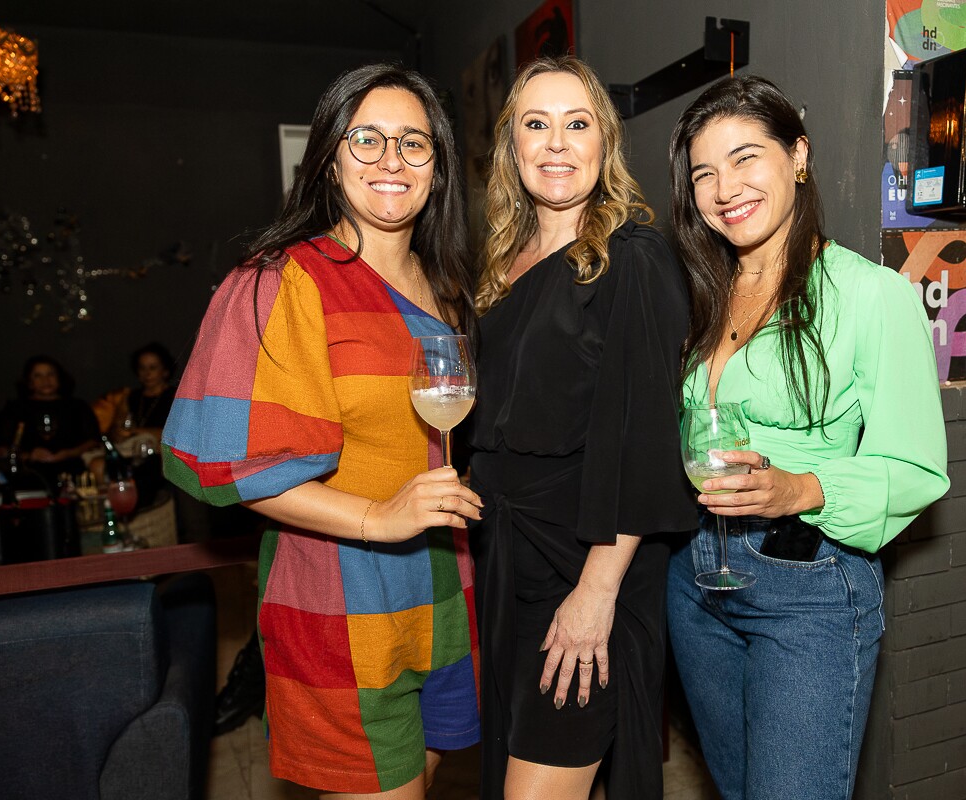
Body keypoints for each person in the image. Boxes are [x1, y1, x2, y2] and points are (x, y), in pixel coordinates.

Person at [161, 63, 482, 798]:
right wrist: (378, 514)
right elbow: (227, 464)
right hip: (341, 603)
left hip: (446, 589)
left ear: (439, 167)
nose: (391, 161)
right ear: (330, 159)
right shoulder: (282, 281)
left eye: (414, 143)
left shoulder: (449, 289)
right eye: (366, 140)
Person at [665, 75, 950, 800]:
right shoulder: (700, 292)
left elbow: (915, 466)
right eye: (704, 173)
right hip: (696, 578)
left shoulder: (869, 294)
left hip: (809, 587)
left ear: (798, 155)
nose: (725, 187)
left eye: (745, 158)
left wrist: (800, 487)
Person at [467, 56, 698, 800]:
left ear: (605, 145)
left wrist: (597, 592)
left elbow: (647, 441)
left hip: (588, 561)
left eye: (578, 124)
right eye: (537, 124)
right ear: (512, 145)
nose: (557, 143)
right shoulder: (498, 266)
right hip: (507, 560)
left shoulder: (633, 258)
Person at [0, 355, 100, 490]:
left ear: (60, 378)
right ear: (29, 382)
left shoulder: (77, 405)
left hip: (71, 466)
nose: (46, 380)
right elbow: (2, 449)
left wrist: (68, 453)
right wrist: (29, 455)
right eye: (38, 376)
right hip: (28, 470)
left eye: (51, 374)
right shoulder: (15, 407)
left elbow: (93, 440)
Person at [110, 342, 178, 448]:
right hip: (131, 448)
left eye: (152, 368)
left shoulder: (176, 396)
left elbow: (177, 434)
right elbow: (117, 427)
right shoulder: (131, 396)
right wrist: (118, 433)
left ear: (165, 370)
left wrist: (136, 431)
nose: (147, 373)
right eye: (142, 368)